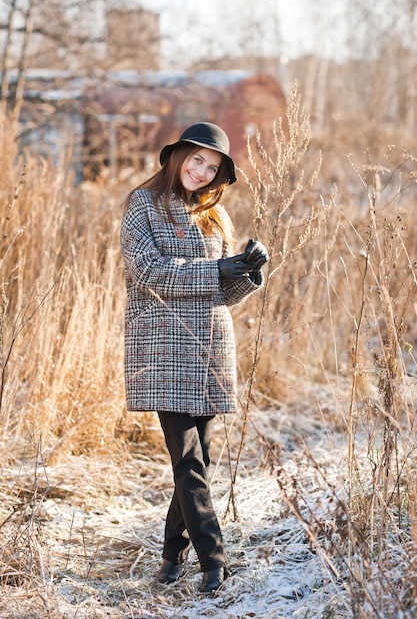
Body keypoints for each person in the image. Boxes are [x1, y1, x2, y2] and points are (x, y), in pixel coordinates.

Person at [120, 122, 269, 593]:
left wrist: (247, 272)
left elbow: (220, 292)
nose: (202, 172)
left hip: (209, 348)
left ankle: (169, 558)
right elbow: (148, 271)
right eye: (197, 159)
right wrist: (215, 267)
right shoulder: (142, 205)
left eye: (213, 167)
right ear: (178, 154)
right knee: (187, 461)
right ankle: (214, 561)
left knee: (198, 461)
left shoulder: (215, 218)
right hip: (162, 347)